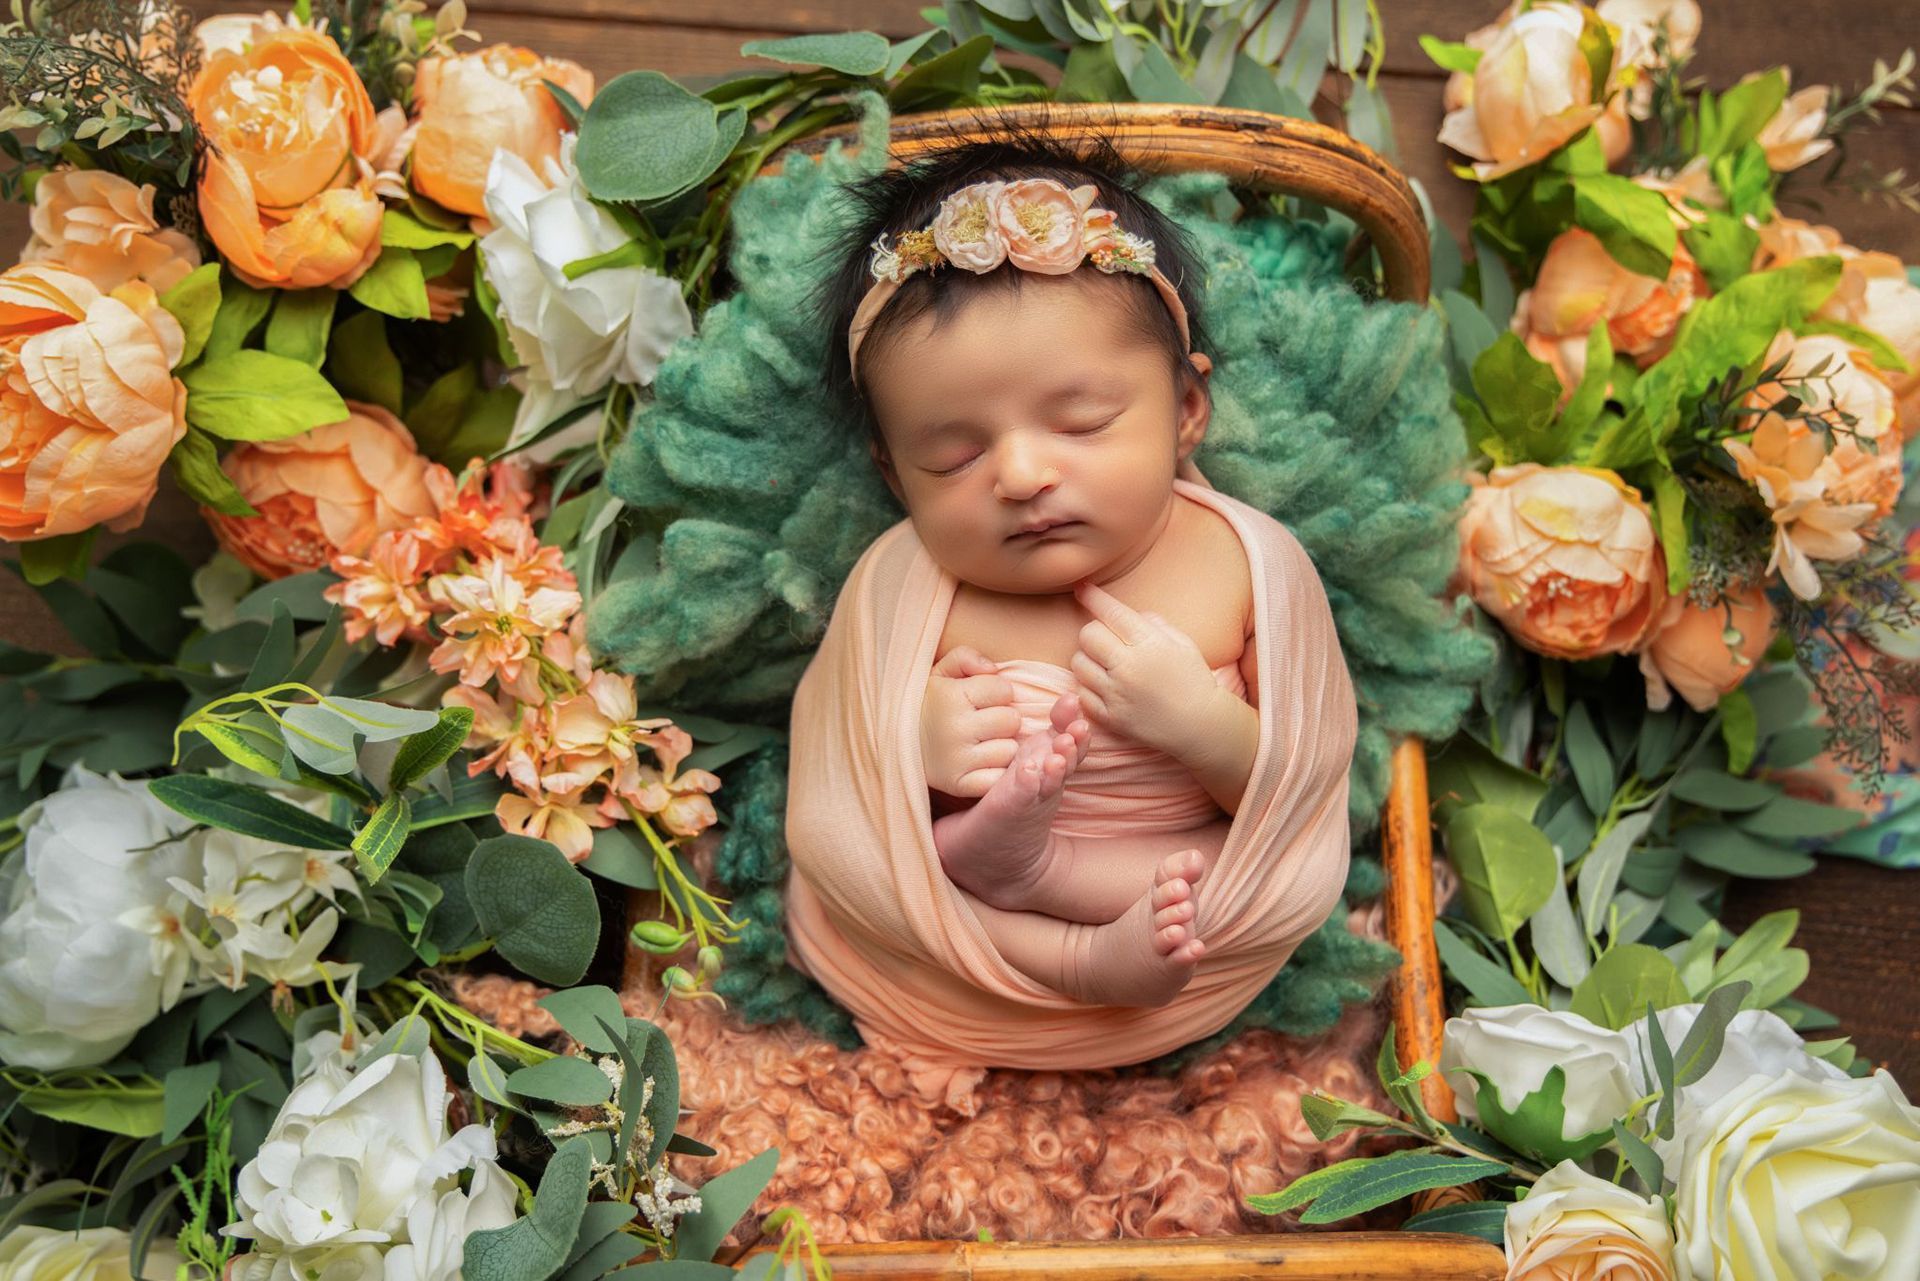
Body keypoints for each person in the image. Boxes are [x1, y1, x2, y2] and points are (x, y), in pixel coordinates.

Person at [782, 129, 1357, 1090]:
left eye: (1083, 422)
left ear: (1184, 410)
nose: (1019, 473)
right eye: (952, 457)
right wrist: (915, 748)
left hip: (1184, 906)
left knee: (1219, 879)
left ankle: (1047, 888)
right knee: (920, 859)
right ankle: (1064, 943)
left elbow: (1296, 790)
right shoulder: (902, 581)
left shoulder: (1243, 566)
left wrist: (1207, 727)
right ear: (891, 471)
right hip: (956, 943)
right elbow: (843, 789)